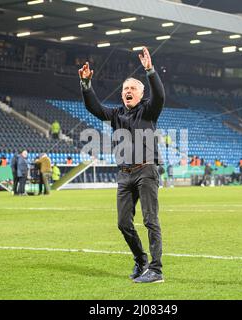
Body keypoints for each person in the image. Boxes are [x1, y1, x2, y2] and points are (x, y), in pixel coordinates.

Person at [79, 47, 165, 283]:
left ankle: (156, 270)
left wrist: (150, 70)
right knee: (123, 223)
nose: (128, 91)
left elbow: (160, 96)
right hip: (124, 175)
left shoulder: (149, 110)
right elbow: (94, 108)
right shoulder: (116, 114)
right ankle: (141, 260)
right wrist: (86, 85)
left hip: (146, 170)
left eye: (132, 89)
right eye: (125, 89)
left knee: (150, 220)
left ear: (141, 93)